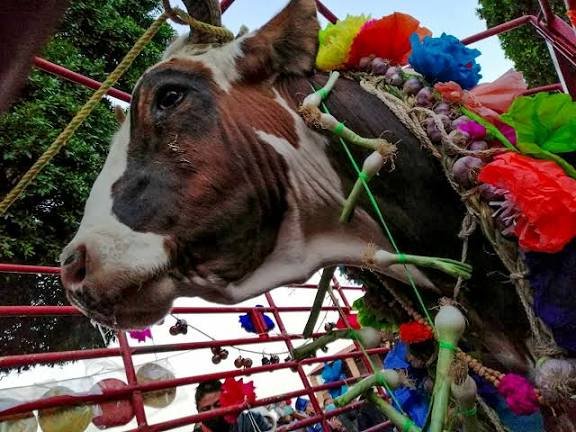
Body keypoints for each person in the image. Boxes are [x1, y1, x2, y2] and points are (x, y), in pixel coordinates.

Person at [195, 380, 275, 432]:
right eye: (206, 409)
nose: (213, 411)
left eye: (218, 405)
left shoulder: (252, 419)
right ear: (198, 411)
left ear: (228, 400)